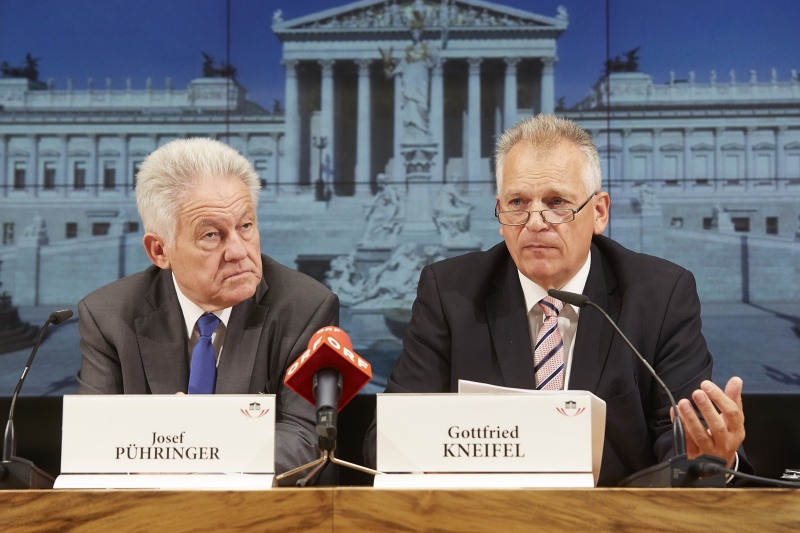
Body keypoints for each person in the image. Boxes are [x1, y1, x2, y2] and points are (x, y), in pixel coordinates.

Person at [364, 114, 748, 486]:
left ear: (598, 212)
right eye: (517, 203)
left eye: (557, 202)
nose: (535, 221)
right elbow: (388, 440)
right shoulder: (450, 292)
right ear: (499, 213)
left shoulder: (660, 295)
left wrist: (706, 458)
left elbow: (682, 438)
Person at [77, 138, 339, 481]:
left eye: (246, 226)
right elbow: (95, 442)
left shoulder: (306, 307)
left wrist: (199, 453)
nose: (239, 251)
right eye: (212, 235)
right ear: (159, 251)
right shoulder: (109, 316)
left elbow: (305, 440)